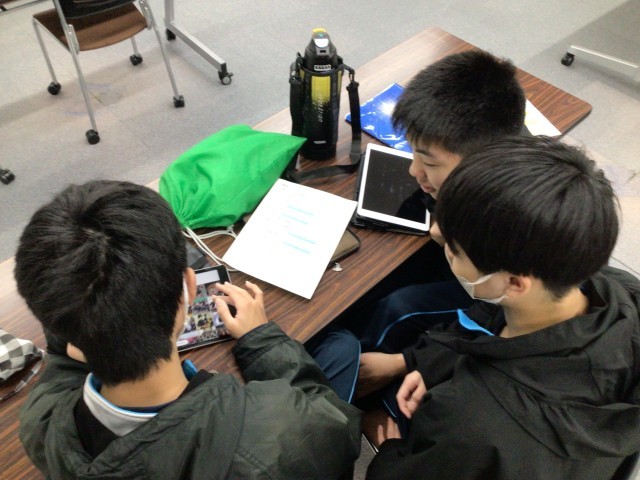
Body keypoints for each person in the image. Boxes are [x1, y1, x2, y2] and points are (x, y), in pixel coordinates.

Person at [14, 180, 362, 479]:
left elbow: (59, 359)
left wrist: (84, 318)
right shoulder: (285, 433)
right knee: (341, 344)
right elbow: (339, 430)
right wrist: (262, 340)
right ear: (189, 287)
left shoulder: (40, 421)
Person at [366, 135, 640, 479]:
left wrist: (388, 446)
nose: (440, 239)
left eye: (454, 250)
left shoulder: (468, 420)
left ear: (514, 283)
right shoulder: (622, 291)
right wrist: (432, 362)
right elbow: (490, 319)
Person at [306, 49, 527, 403]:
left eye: (429, 162)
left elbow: (500, 322)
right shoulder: (493, 143)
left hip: (491, 302)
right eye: (412, 152)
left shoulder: (513, 219)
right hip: (476, 267)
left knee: (399, 305)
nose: (413, 171)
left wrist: (406, 362)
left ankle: (358, 380)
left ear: (482, 164)